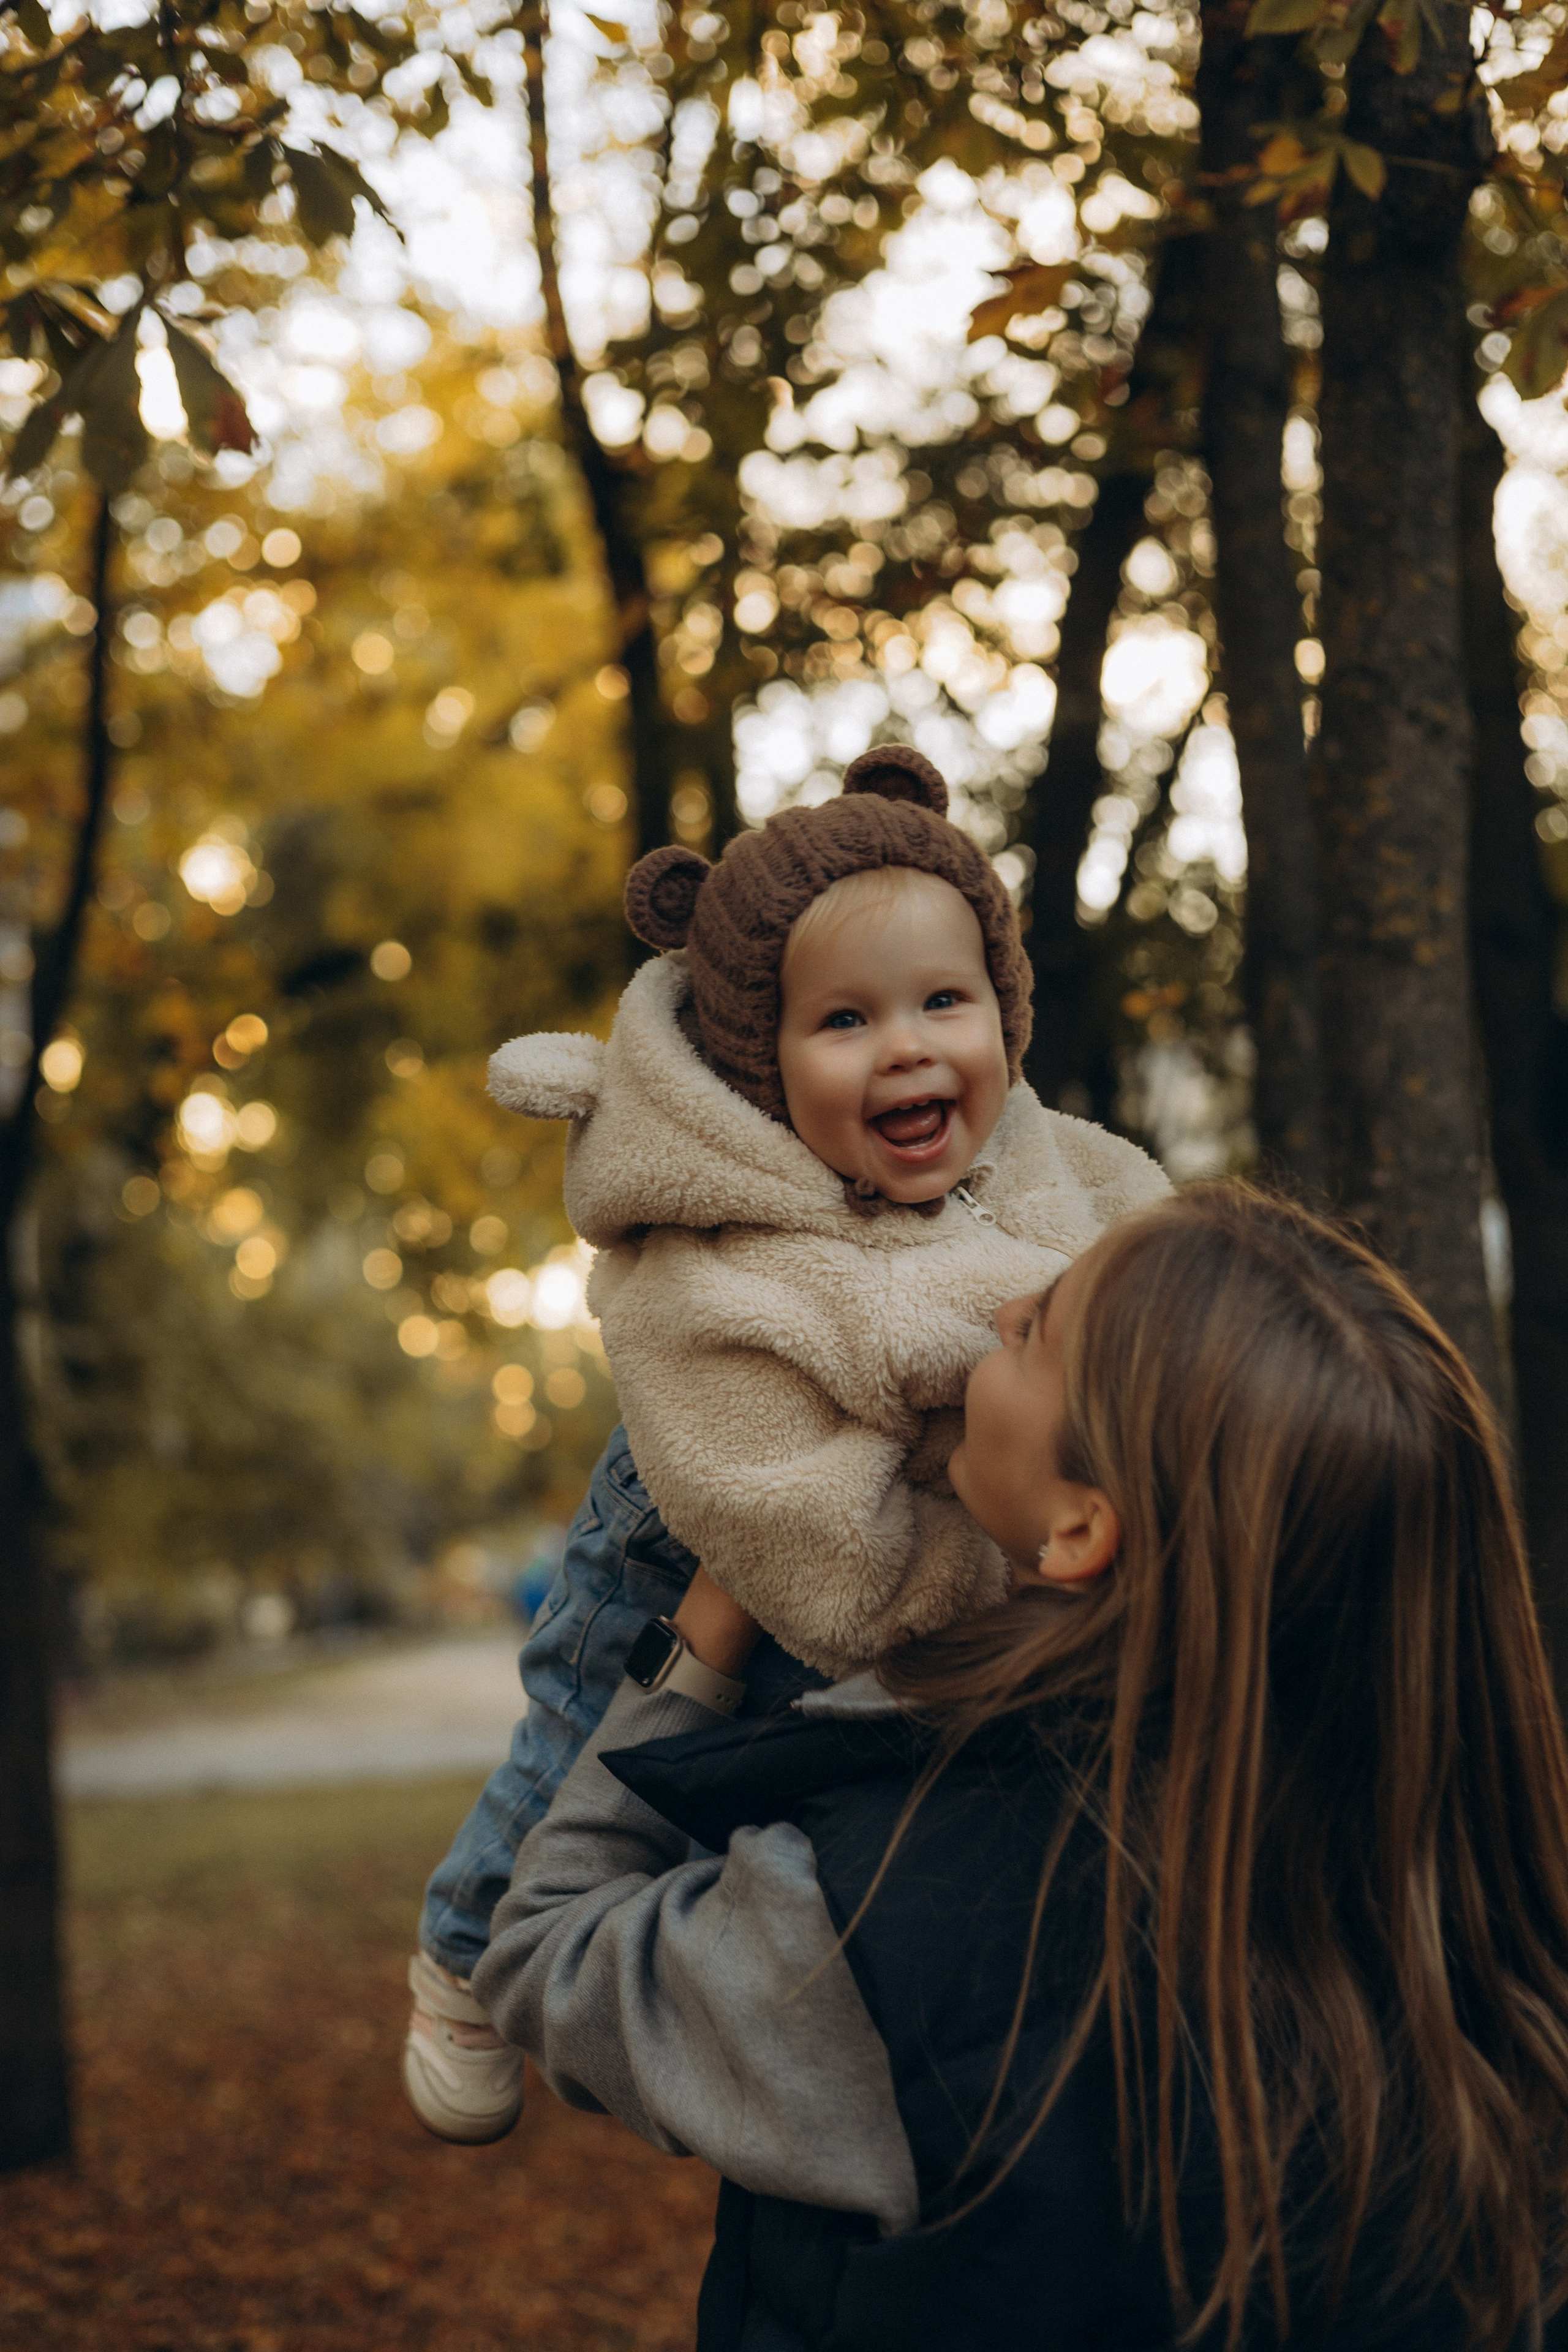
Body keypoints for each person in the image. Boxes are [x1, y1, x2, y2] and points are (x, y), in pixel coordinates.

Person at [471, 1185, 1568, 2351]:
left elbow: (546, 1954)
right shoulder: (1486, 1926)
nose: (997, 1314)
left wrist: (707, 1624)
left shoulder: (864, 1924)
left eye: (1037, 1331)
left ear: (1082, 1530)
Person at [404, 745, 1169, 2143]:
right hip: (697, 1526)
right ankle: (463, 1952)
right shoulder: (722, 1250)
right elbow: (814, 1560)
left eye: (945, 1001)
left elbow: (1151, 1249)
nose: (907, 1047)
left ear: (1002, 1010)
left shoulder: (1040, 1161)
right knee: (578, 1738)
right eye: (845, 1021)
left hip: (898, 1517)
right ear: (761, 1065)